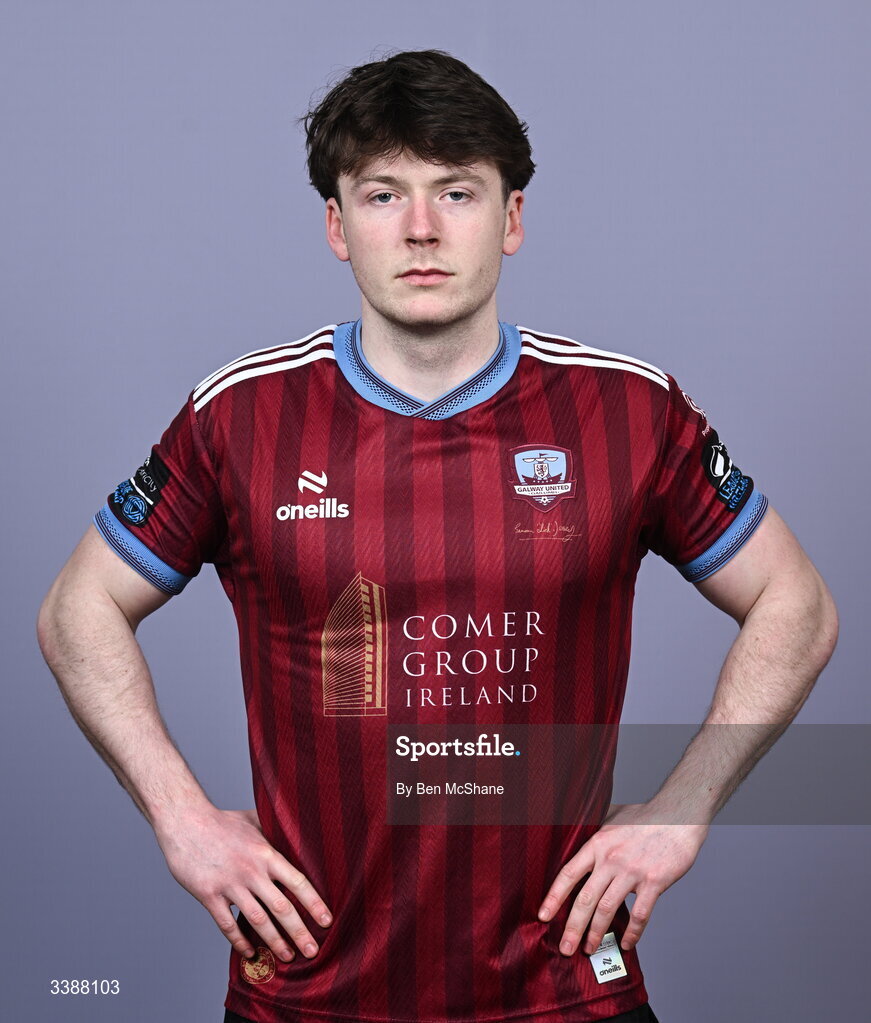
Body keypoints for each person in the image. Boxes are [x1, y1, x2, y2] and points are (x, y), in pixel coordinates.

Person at [37, 49, 838, 1023]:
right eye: (382, 195)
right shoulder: (239, 418)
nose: (420, 229)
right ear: (337, 226)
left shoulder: (628, 410)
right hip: (308, 994)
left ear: (512, 219)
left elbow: (795, 605)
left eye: (456, 192)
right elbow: (77, 610)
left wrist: (682, 810)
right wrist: (182, 820)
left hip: (563, 992)